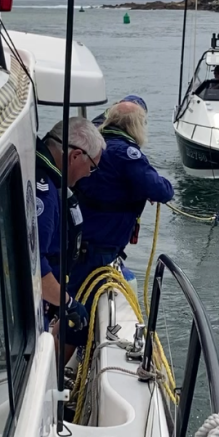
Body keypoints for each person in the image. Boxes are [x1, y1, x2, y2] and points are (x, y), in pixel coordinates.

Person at [73, 96, 174, 302]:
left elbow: (109, 184)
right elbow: (162, 190)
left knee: (76, 295)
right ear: (136, 126)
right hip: (99, 246)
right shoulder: (126, 153)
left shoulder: (97, 145)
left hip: (83, 238)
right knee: (83, 303)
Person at [36, 117, 105, 364]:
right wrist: (68, 304)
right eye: (92, 166)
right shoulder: (43, 193)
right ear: (76, 156)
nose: (89, 174)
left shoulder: (48, 179)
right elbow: (34, 265)